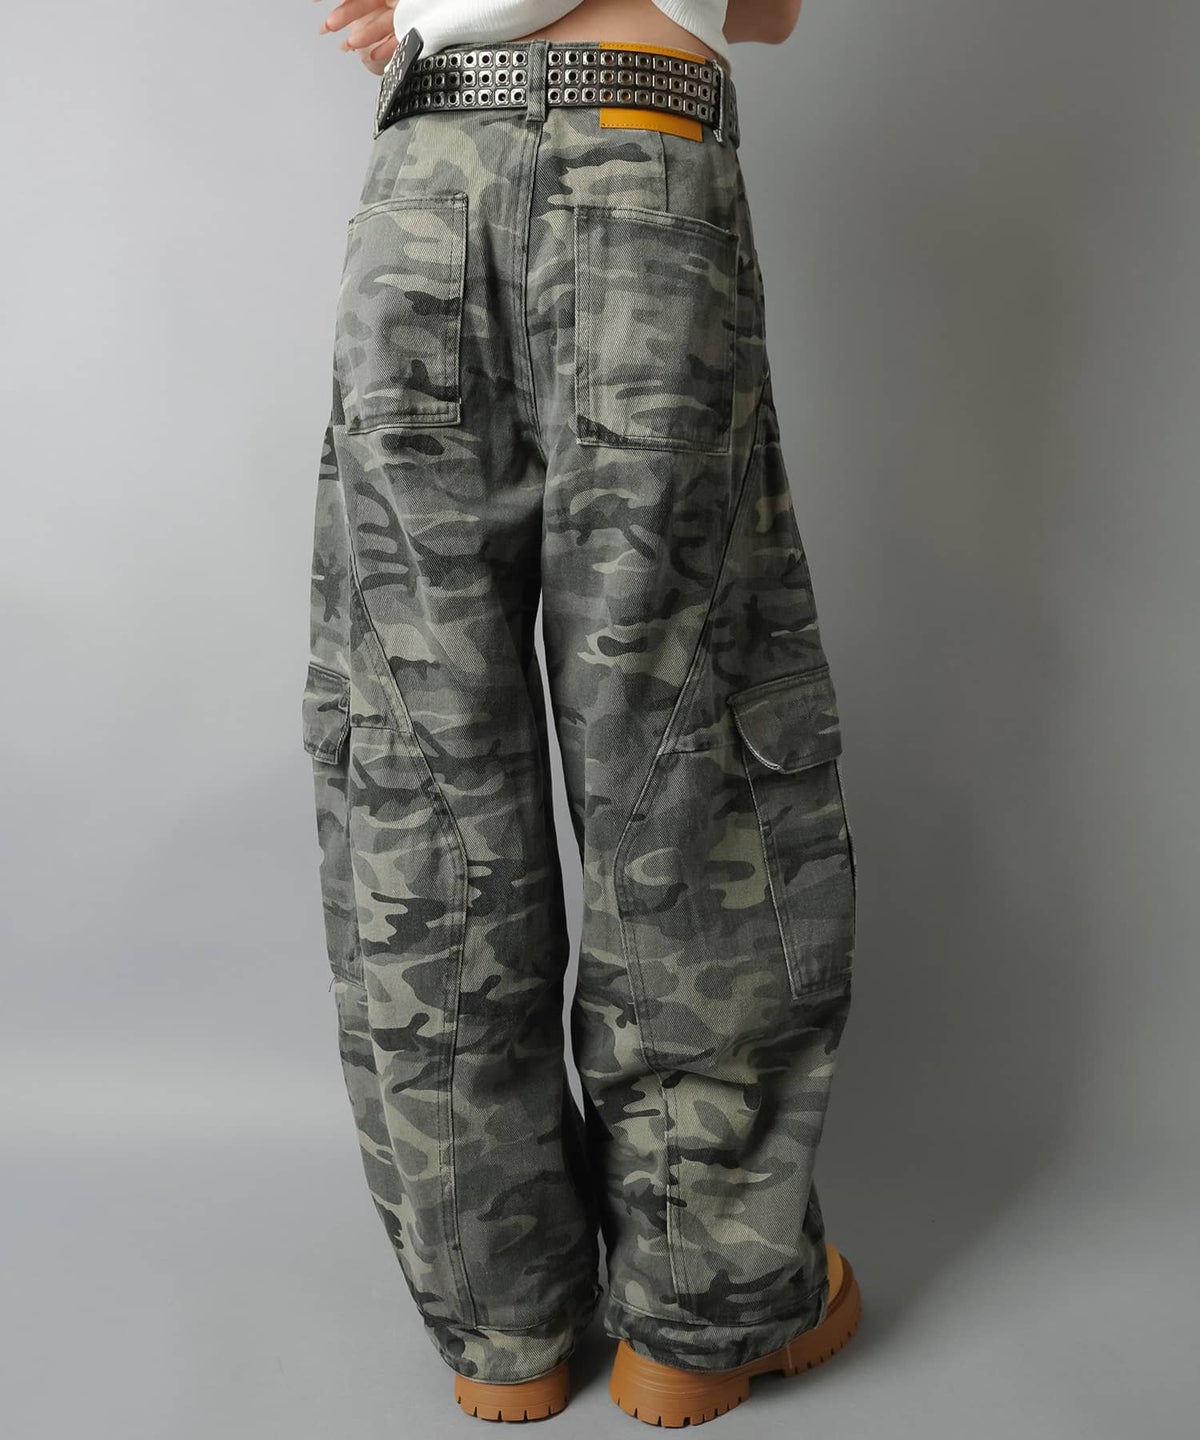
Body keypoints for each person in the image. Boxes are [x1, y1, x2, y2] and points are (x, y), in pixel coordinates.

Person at [301, 0, 862, 1426]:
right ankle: (699, 1320)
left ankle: (504, 1322)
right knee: (686, 743)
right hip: (642, 150)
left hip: (428, 177)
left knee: (420, 759)